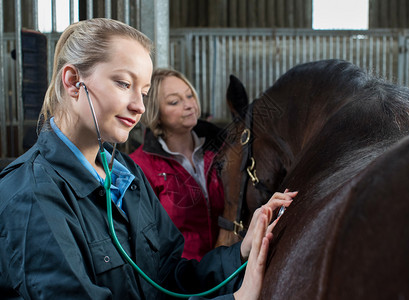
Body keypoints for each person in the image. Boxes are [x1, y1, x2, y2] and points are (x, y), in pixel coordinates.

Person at [0, 18, 296, 300]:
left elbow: (169, 278)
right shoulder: (31, 195)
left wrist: (241, 251)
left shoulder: (127, 176)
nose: (139, 106)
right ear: (74, 81)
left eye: (143, 92)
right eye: (123, 84)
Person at [130, 68, 225, 261]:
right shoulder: (139, 166)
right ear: (156, 113)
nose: (189, 105)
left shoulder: (221, 151)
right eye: (175, 101)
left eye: (189, 96)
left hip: (228, 266)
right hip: (179, 279)